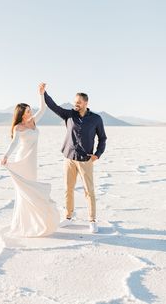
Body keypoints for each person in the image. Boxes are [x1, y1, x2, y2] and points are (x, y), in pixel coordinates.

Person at [1, 83, 60, 237]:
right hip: (22, 160)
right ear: (22, 113)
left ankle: (36, 221)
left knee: (32, 188)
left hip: (32, 162)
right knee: (25, 191)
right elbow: (14, 143)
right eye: (28, 111)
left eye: (30, 110)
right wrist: (6, 156)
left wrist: (41, 94)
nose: (30, 112)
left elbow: (43, 109)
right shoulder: (18, 127)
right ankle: (25, 223)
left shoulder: (33, 121)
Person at [44, 90, 107, 233]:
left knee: (89, 191)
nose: (75, 104)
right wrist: (44, 94)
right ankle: (68, 217)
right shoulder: (69, 115)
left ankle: (92, 220)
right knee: (68, 189)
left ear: (86, 103)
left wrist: (97, 154)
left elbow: (102, 138)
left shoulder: (96, 119)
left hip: (86, 160)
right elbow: (54, 106)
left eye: (78, 102)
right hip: (69, 158)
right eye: (75, 102)